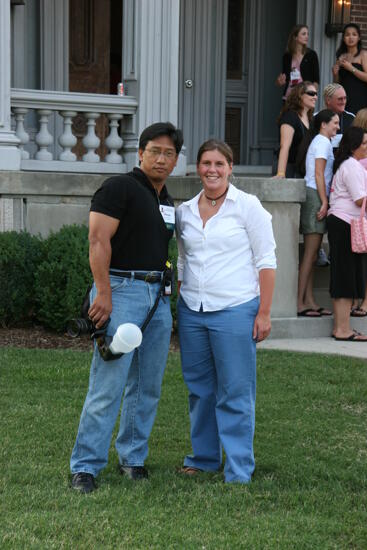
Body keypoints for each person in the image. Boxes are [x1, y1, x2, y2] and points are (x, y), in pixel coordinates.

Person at [70, 122, 184, 493]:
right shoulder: (119, 187)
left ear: (176, 160)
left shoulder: (164, 200)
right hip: (120, 289)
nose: (162, 159)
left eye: (169, 153)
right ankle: (85, 466)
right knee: (109, 383)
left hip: (157, 297)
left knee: (146, 385)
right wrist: (103, 293)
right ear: (140, 153)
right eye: (155, 151)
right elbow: (97, 239)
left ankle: (132, 458)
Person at [176, 139, 276, 484]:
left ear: (231, 167)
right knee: (200, 389)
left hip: (235, 310)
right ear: (198, 168)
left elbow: (266, 261)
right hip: (192, 310)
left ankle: (238, 468)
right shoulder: (184, 210)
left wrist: (264, 312)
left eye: (219, 163)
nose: (212, 170)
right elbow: (183, 259)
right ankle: (203, 458)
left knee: (235, 391)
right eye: (206, 163)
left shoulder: (248, 206)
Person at [297, 110, 340, 317]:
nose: (337, 127)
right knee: (310, 253)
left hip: (316, 194)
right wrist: (324, 201)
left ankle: (310, 300)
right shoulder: (322, 142)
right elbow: (318, 174)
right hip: (315, 195)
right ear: (323, 124)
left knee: (313, 254)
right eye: (334, 123)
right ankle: (300, 302)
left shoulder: (320, 141)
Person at [327, 126, 367, 341]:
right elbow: (360, 199)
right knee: (344, 276)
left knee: (346, 275)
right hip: (343, 224)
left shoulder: (353, 165)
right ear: (354, 147)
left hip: (345, 224)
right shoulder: (351, 166)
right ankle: (342, 329)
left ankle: (342, 327)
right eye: (365, 143)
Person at [273, 81, 317, 178]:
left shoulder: (311, 119)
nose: (315, 97)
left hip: (303, 170)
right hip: (289, 169)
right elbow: (284, 146)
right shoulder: (290, 116)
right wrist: (281, 173)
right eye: (311, 93)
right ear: (300, 95)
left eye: (316, 94)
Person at [276, 24, 319, 100]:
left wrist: (311, 95)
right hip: (289, 97)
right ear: (295, 37)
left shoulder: (311, 55)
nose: (307, 36)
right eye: (303, 34)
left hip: (305, 97)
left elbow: (316, 80)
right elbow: (284, 79)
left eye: (307, 34)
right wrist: (279, 82)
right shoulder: (287, 56)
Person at [332, 23, 367, 115]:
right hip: (344, 98)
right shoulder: (341, 56)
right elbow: (336, 84)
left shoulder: (363, 54)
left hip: (360, 97)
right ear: (343, 38)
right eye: (347, 35)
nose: (350, 37)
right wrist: (335, 74)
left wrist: (351, 68)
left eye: (354, 34)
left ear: (359, 38)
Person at [323, 83, 355, 149]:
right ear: (328, 100)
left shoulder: (352, 118)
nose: (344, 102)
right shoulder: (316, 118)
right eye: (340, 99)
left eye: (345, 98)